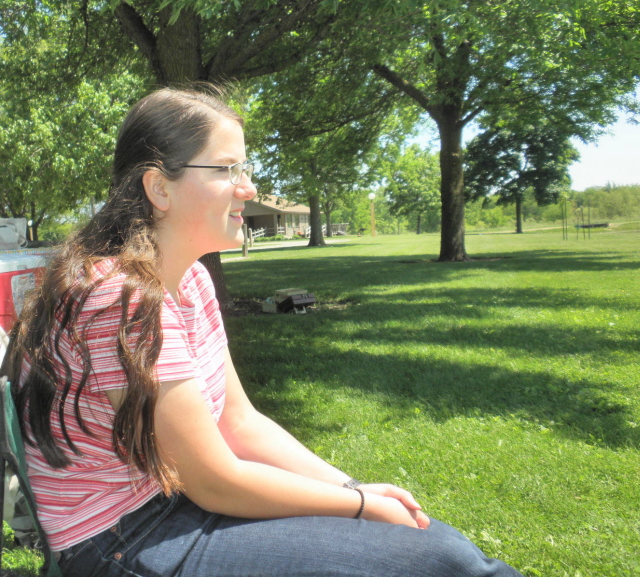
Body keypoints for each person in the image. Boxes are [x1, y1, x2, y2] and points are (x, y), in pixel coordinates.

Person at [2, 88, 524, 577]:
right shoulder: (120, 298)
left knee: (441, 550)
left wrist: (352, 488)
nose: (249, 188)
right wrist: (363, 506)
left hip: (171, 503)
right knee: (445, 562)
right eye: (229, 169)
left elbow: (239, 421)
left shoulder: (191, 280)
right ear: (159, 187)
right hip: (122, 539)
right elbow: (214, 481)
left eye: (245, 168)